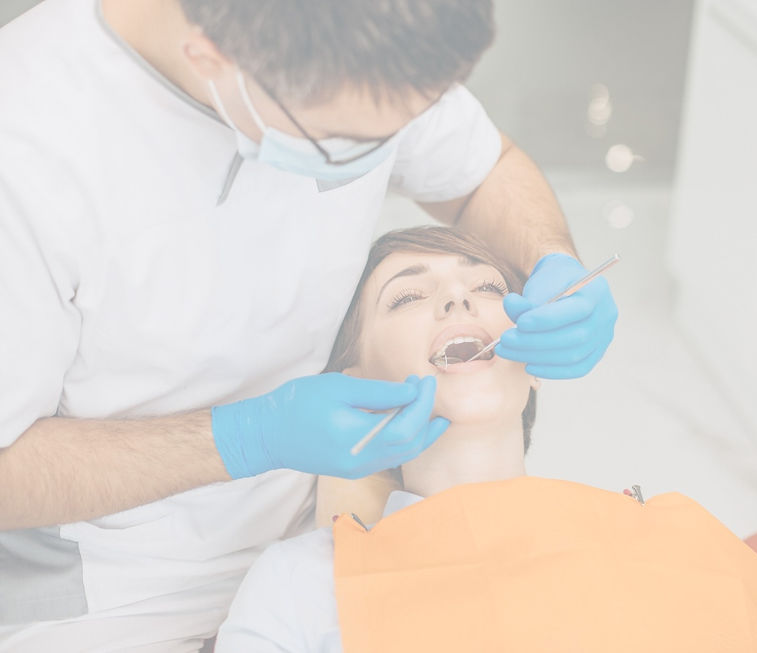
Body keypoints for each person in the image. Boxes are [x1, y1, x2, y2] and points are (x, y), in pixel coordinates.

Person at [0, 1, 619, 650]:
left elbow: (481, 170)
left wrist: (554, 258)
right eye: (348, 144)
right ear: (212, 57)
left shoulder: (359, 46)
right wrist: (246, 437)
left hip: (324, 543)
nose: (458, 302)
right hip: (111, 606)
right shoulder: (28, 152)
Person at [215, 227, 757, 652]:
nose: (458, 300)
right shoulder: (302, 585)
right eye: (408, 297)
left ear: (537, 359)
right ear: (355, 386)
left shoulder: (670, 536)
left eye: (486, 287)